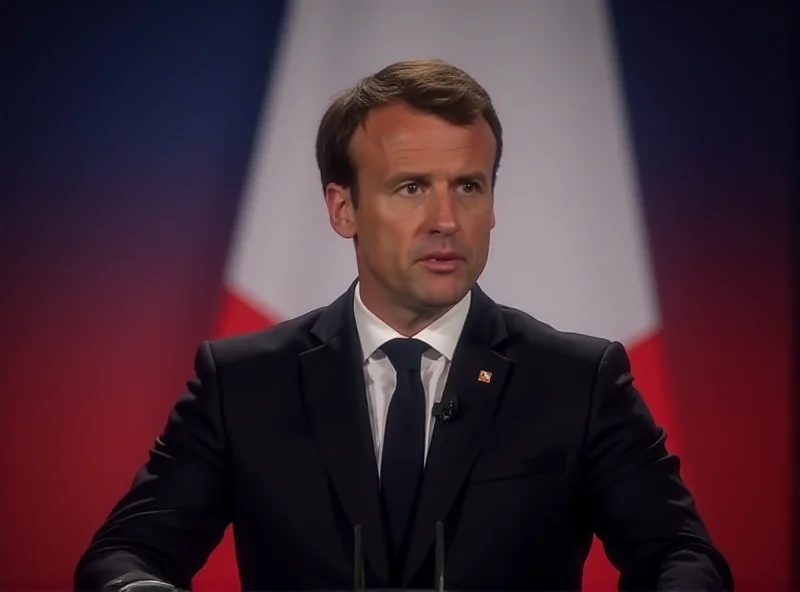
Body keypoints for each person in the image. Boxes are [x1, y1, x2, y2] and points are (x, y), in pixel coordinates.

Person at [75, 59, 733, 591]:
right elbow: (127, 558)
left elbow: (680, 558)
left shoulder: (578, 381)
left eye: (469, 186)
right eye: (412, 187)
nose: (446, 219)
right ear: (343, 208)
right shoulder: (244, 382)